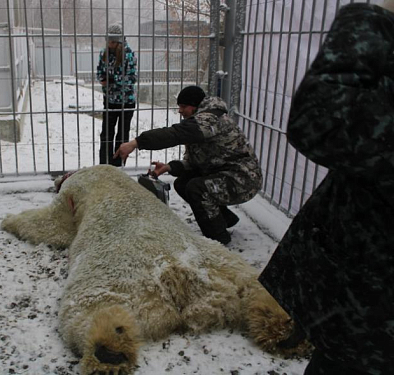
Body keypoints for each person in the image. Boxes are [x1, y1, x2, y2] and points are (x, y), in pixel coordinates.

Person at [258, 2, 394, 374]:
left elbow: (318, 120)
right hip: (363, 307)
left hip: (370, 320)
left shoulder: (207, 121)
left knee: (195, 184)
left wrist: (373, 17)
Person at [115, 86, 262, 244]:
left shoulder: (209, 120)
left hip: (243, 179)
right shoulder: (201, 121)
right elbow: (195, 162)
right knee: (183, 183)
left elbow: (174, 135)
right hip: (226, 173)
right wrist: (169, 167)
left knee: (197, 189)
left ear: (195, 106)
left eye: (183, 107)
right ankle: (225, 219)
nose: (180, 111)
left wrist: (136, 143)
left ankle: (218, 239)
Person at [97, 23, 137, 166]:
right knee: (106, 134)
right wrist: (102, 79)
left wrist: (113, 80)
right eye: (108, 40)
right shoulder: (104, 53)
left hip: (127, 101)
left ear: (119, 41)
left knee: (122, 135)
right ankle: (104, 165)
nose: (110, 44)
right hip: (109, 100)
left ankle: (118, 165)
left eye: (113, 41)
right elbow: (100, 72)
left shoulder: (129, 54)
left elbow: (132, 78)